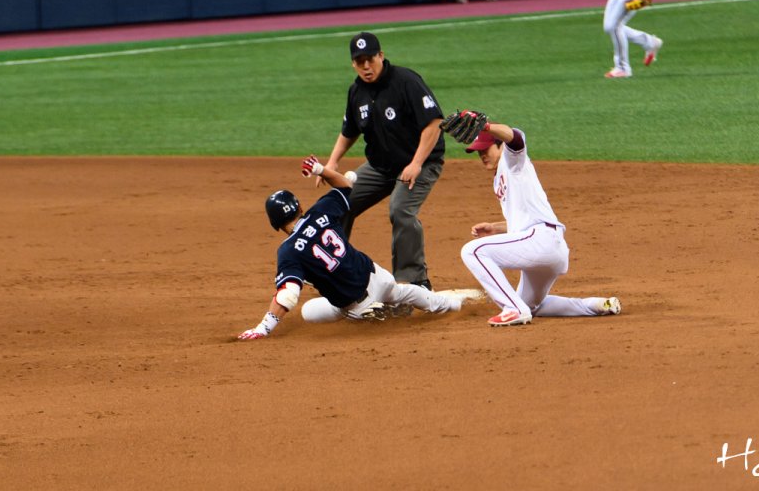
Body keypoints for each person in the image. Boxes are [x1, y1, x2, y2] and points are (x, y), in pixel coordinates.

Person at [238, 156, 469, 340]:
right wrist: (320, 169)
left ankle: (380, 313)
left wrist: (263, 327)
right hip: (378, 276)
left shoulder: (288, 251)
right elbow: (346, 184)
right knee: (399, 292)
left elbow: (287, 296)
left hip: (358, 306)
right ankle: (448, 304)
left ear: (275, 224)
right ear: (299, 207)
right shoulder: (321, 210)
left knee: (312, 311)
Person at [449, 114, 622, 326]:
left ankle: (513, 309)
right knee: (531, 305)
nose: (482, 155)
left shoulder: (511, 161)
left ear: (500, 146)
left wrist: (487, 126)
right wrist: (496, 228)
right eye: (478, 153)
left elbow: (517, 138)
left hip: (541, 240)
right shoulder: (500, 180)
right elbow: (524, 218)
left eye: (486, 150)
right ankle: (595, 305)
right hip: (549, 248)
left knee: (472, 251)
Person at [320, 32, 444, 291]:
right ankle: (338, 274)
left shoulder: (406, 81)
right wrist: (331, 164)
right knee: (339, 203)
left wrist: (416, 163)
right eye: (360, 61)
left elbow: (434, 123)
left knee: (400, 209)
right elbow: (349, 131)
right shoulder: (356, 92)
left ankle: (413, 281)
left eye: (370, 59)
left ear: (381, 56)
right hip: (380, 167)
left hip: (419, 162)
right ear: (353, 63)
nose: (366, 66)